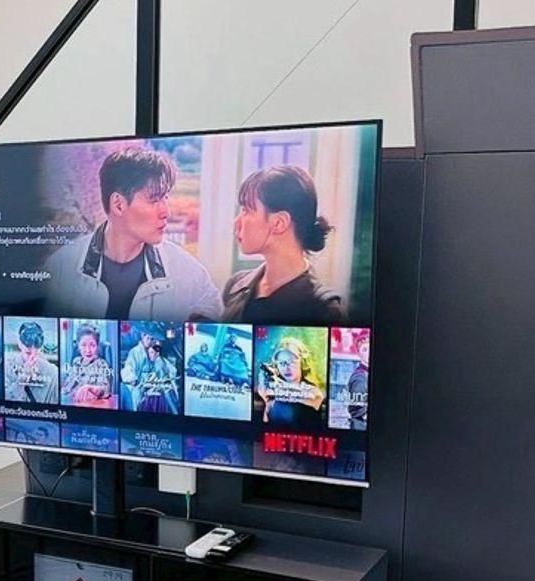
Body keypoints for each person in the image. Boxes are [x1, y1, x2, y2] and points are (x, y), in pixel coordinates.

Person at [45, 145, 221, 323]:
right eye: (154, 200)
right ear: (118, 204)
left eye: (165, 198)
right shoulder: (61, 268)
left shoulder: (189, 275)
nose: (166, 212)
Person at [222, 164, 343, 324]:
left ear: (279, 223)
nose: (236, 222)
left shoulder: (323, 310)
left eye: (246, 211)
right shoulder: (235, 287)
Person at [256, 334, 325, 427]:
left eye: (292, 362)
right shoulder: (273, 391)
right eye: (282, 363)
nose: (286, 368)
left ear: (302, 362)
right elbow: (265, 423)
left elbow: (315, 398)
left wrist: (274, 390)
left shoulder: (313, 391)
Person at [121, 328, 178, 413]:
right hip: (140, 387)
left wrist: (160, 362)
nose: (150, 341)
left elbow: (169, 368)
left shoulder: (154, 350)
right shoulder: (135, 352)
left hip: (155, 387)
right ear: (142, 336)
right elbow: (128, 368)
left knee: (166, 394)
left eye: (152, 339)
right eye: (148, 338)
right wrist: (132, 379)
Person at [5, 320, 58, 404]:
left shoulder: (52, 372)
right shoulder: (7, 369)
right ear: (19, 344)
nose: (33, 358)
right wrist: (23, 378)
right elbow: (5, 403)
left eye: (36, 353)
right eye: (28, 353)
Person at [61, 324, 114, 407]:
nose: (88, 350)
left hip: (94, 406)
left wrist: (90, 388)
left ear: (97, 346)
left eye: (92, 345)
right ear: (78, 346)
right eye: (83, 345)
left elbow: (106, 390)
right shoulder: (76, 362)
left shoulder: (102, 364)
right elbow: (66, 389)